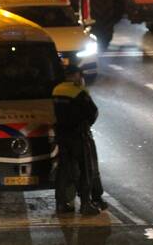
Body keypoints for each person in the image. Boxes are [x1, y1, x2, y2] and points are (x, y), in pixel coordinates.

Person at [53, 65, 101, 216]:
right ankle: (86, 204)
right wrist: (85, 126)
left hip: (62, 135)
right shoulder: (79, 91)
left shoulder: (57, 90)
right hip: (78, 135)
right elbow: (93, 112)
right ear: (75, 75)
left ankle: (61, 203)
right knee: (85, 168)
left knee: (64, 169)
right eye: (79, 75)